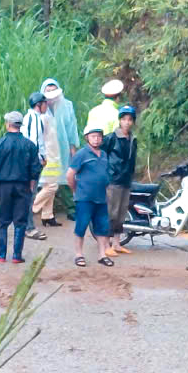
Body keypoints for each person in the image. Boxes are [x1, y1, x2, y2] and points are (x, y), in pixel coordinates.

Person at [0, 112, 42, 263]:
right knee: (21, 221)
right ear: (20, 125)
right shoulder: (29, 145)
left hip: (3, 186)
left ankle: (1, 254)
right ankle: (17, 255)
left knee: (2, 221)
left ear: (7, 124)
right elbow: (35, 170)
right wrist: (31, 187)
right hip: (22, 186)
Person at [67, 127, 113, 267]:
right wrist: (75, 190)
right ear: (87, 137)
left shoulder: (104, 154)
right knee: (81, 225)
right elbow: (70, 175)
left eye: (99, 136)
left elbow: (106, 174)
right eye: (93, 136)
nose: (96, 139)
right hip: (84, 197)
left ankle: (102, 255)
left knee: (102, 227)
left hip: (101, 197)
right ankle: (79, 254)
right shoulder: (81, 154)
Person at [41, 78, 80, 221]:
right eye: (48, 90)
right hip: (45, 148)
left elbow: (71, 128)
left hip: (62, 148)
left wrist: (73, 149)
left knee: (66, 178)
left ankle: (71, 208)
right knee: (46, 179)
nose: (51, 93)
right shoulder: (40, 106)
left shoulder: (67, 105)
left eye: (53, 89)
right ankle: (45, 211)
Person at [102, 105, 138, 257]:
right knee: (111, 212)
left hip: (125, 180)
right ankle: (105, 244)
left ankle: (116, 243)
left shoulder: (133, 139)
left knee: (121, 213)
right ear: (119, 120)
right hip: (113, 180)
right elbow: (102, 155)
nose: (127, 122)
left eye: (130, 120)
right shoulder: (111, 138)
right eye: (124, 119)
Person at [20, 92, 52, 240]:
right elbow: (35, 142)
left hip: (27, 161)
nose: (47, 106)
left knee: (28, 194)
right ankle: (28, 227)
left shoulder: (30, 118)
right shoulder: (34, 119)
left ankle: (25, 224)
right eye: (45, 103)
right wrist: (41, 158)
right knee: (29, 194)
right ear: (39, 104)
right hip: (32, 162)